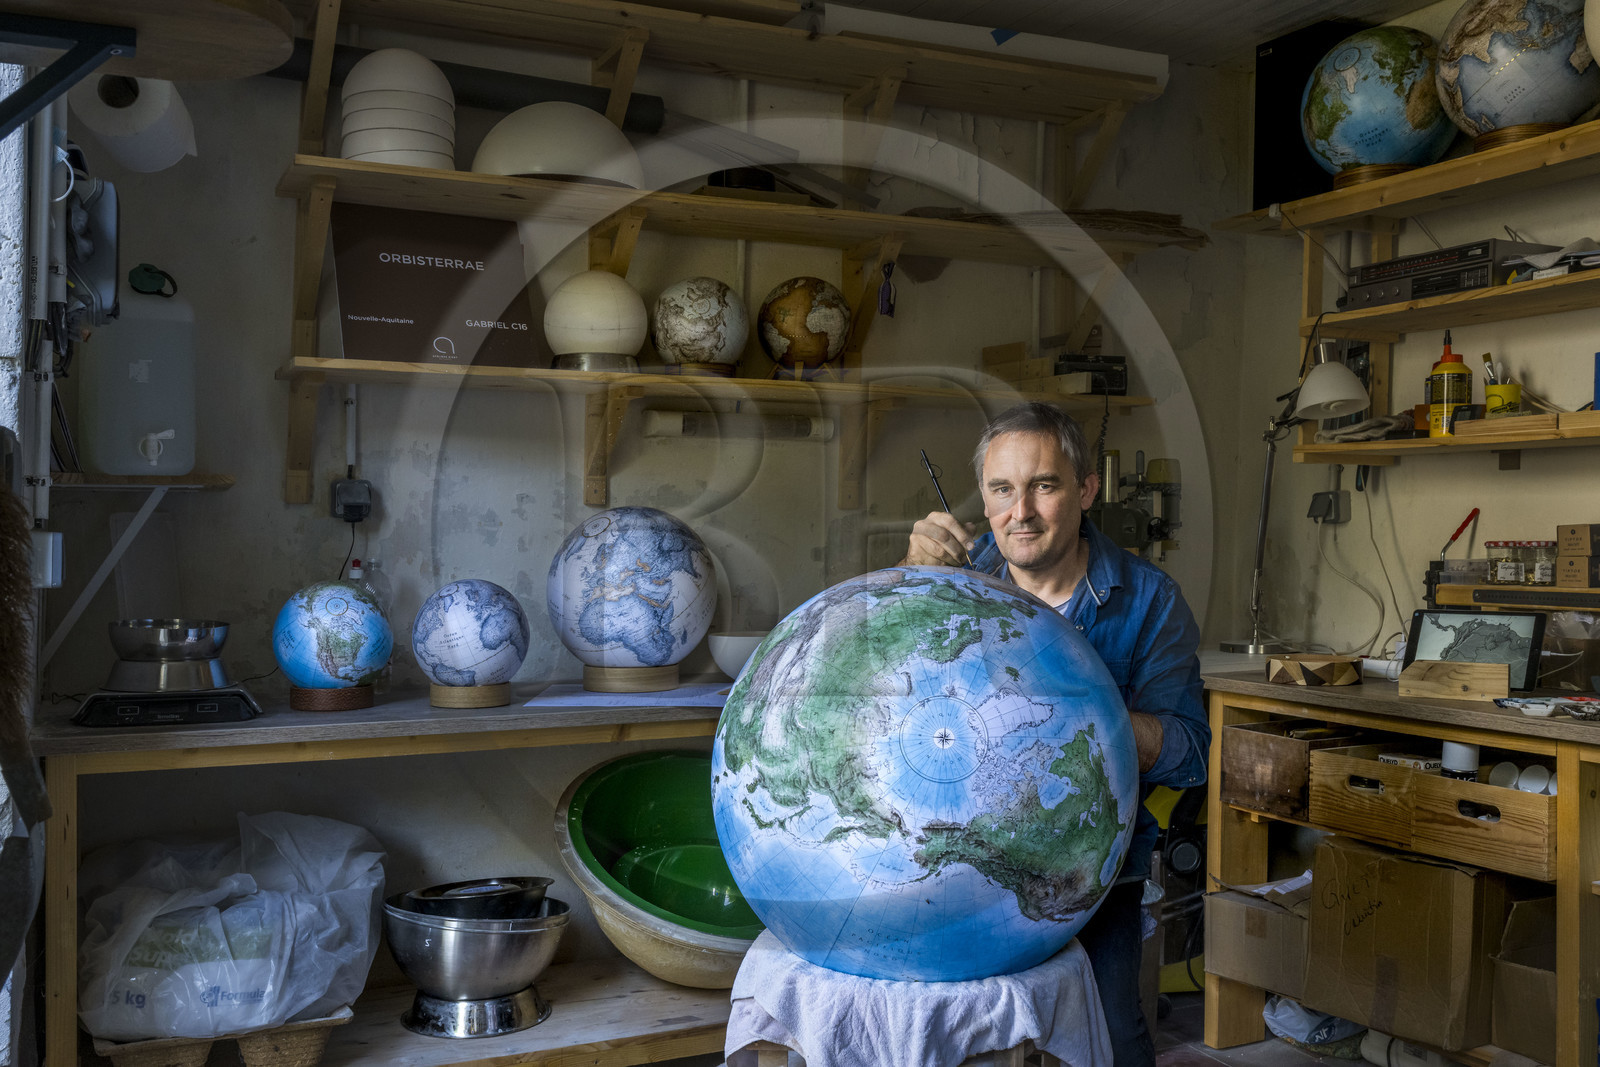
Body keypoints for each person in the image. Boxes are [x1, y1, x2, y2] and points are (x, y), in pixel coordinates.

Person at [900, 400, 1207, 1067]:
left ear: (1086, 488)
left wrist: (1085, 721)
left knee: (1110, 1042)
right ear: (982, 499)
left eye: (1044, 485)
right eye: (1002, 490)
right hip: (960, 862)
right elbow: (894, 697)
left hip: (1094, 875)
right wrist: (914, 578)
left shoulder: (1150, 601)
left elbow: (1191, 752)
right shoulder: (956, 581)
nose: (1022, 513)